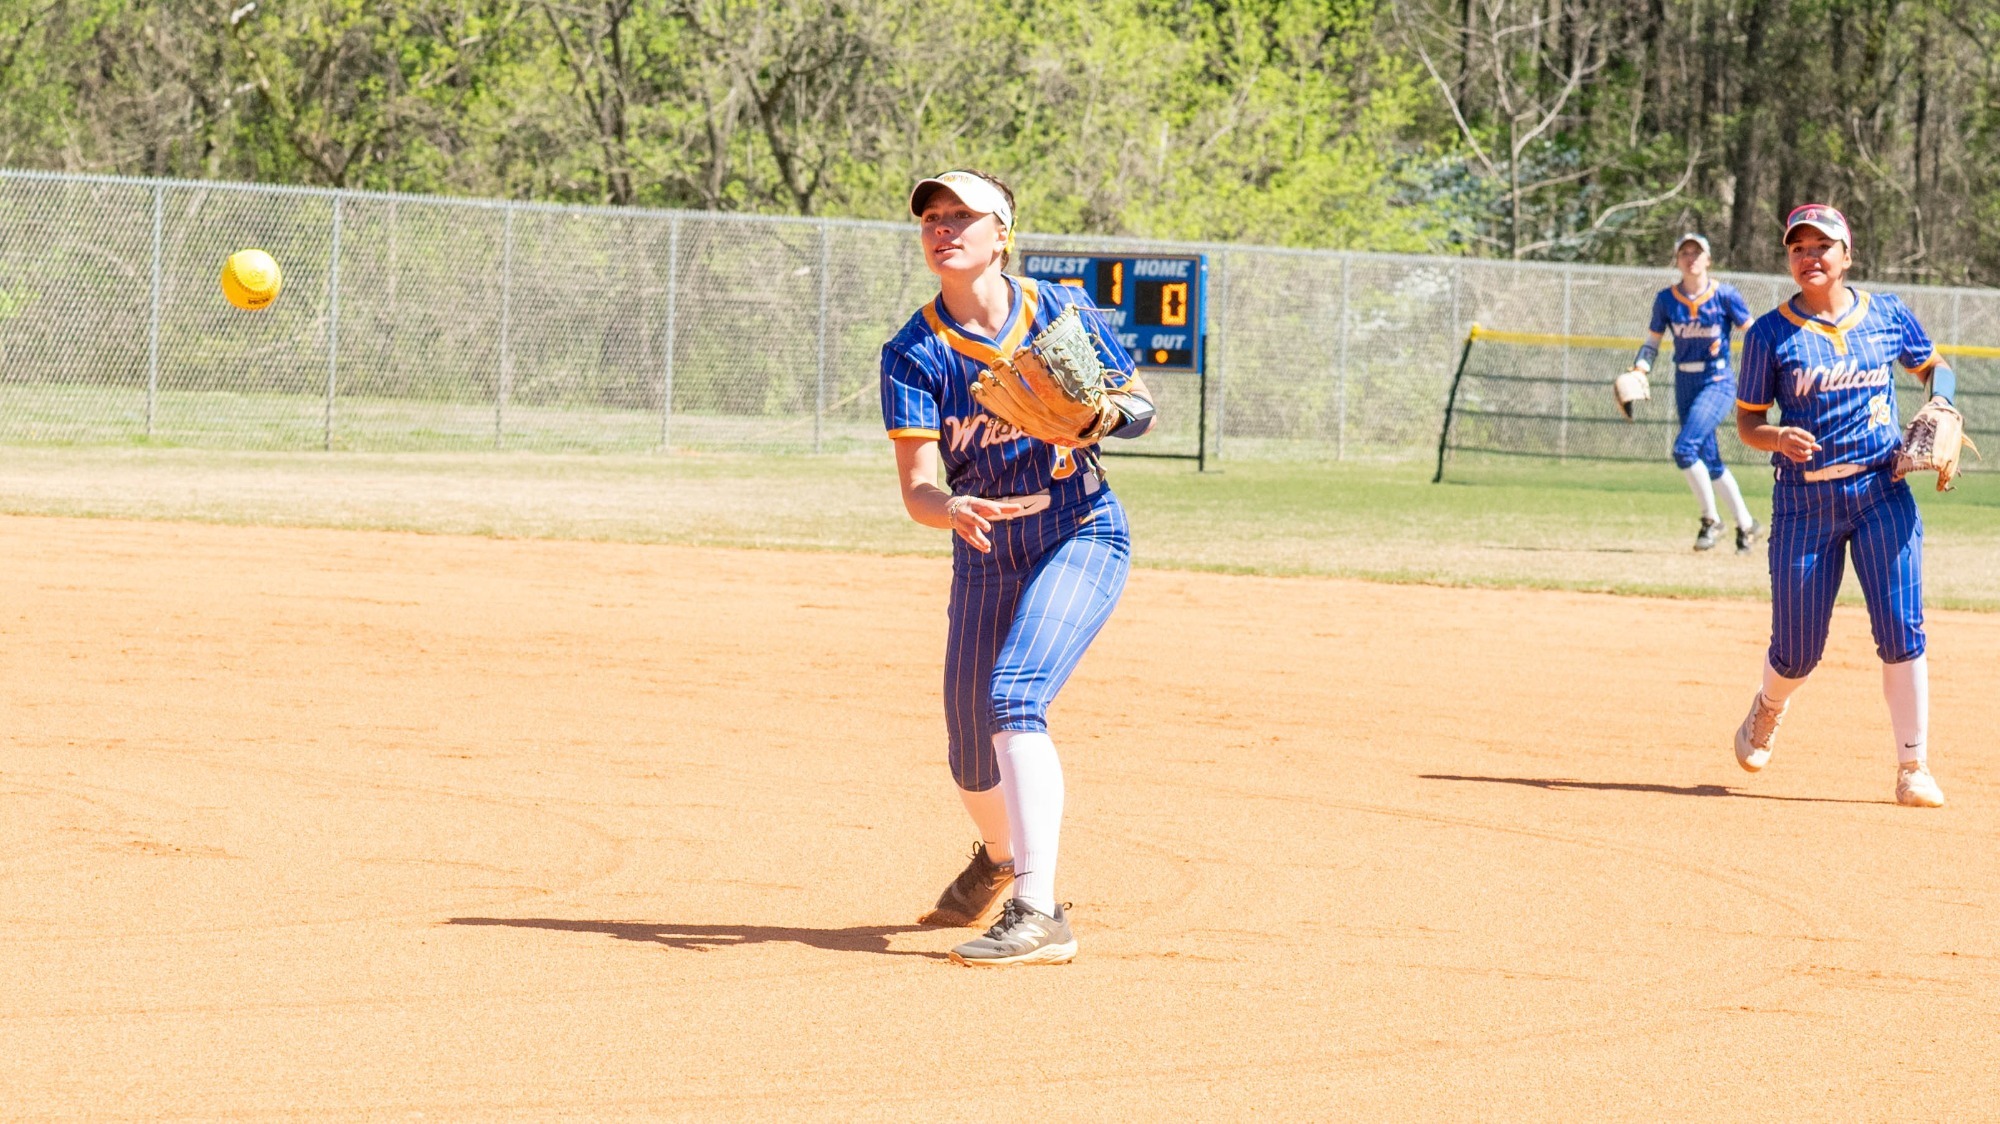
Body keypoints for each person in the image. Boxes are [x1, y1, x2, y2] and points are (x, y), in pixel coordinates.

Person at [880, 170, 1157, 965]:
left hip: (1079, 528)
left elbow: (1137, 405)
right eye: (933, 216)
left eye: (963, 214)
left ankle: (1040, 911)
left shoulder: (1063, 309)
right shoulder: (915, 352)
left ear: (1002, 233)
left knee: (1015, 696)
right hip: (983, 551)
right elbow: (920, 490)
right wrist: (951, 510)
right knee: (971, 747)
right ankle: (1000, 858)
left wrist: (1105, 414)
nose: (944, 226)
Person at [1730, 203, 1954, 807]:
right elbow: (1748, 421)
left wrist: (1941, 405)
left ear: (1847, 255)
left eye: (1822, 247)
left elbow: (1937, 370)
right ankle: (1768, 706)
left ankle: (1913, 767)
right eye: (1798, 248)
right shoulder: (1769, 335)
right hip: (1805, 502)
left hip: (1883, 490)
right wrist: (1776, 437)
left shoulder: (1884, 315)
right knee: (1799, 649)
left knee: (1901, 627)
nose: (1810, 257)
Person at [1624, 234, 1761, 551]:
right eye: (1684, 253)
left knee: (1685, 450)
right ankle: (1746, 525)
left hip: (1718, 380)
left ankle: (1711, 521)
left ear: (1708, 259)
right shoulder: (1667, 300)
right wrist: (1641, 367)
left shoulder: (1724, 295)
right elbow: (1652, 343)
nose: (1691, 258)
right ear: (1677, 260)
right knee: (1709, 460)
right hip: (1684, 381)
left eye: (1697, 253)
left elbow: (1754, 334)